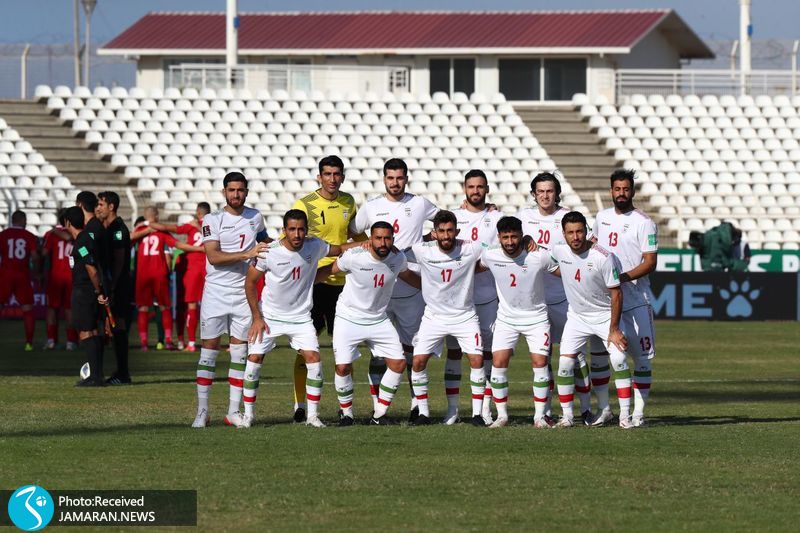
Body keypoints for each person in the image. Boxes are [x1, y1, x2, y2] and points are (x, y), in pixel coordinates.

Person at [239, 209, 363, 428]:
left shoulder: (314, 245)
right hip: (269, 316)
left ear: (307, 230)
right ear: (284, 231)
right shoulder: (269, 252)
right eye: (292, 229)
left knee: (314, 359)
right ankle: (248, 415)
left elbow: (340, 249)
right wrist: (256, 318)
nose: (297, 234)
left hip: (301, 318)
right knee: (254, 360)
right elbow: (250, 283)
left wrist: (367, 243)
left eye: (301, 229)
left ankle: (312, 416)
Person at [349, 158, 438, 418]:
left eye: (399, 178)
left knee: (413, 351)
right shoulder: (372, 206)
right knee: (378, 353)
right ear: (384, 179)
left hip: (411, 289)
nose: (395, 183)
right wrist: (368, 244)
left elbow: (446, 220)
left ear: (406, 179)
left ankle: (415, 405)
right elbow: (353, 230)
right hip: (380, 293)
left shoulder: (419, 203)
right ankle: (379, 407)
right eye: (390, 178)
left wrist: (427, 239)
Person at [516, 172, 598, 425]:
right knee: (543, 357)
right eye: (540, 191)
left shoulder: (568, 218)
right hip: (536, 300)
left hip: (565, 297)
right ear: (533, 194)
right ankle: (547, 410)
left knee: (576, 356)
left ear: (557, 193)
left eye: (549, 191)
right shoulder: (523, 217)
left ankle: (585, 408)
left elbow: (591, 242)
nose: (545, 195)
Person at [320, 221, 420, 425]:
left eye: (387, 238)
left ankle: (379, 414)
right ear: (370, 239)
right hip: (348, 317)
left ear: (392, 239)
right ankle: (346, 414)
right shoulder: (354, 257)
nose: (383, 242)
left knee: (398, 364)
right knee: (342, 367)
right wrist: (305, 282)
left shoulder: (398, 258)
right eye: (378, 238)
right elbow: (330, 270)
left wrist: (434, 288)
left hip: (378, 319)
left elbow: (409, 276)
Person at [192, 171, 268, 428]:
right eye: (232, 190)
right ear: (224, 192)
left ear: (246, 191)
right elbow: (213, 256)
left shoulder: (255, 216)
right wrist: (248, 253)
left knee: (239, 352)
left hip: (243, 293)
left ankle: (233, 411)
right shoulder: (211, 219)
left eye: (241, 190)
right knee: (209, 351)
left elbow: (264, 243)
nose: (236, 195)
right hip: (215, 292)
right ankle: (202, 411)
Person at [289, 155, 362, 422]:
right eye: (327, 174)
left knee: (344, 349)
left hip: (344, 286)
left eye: (337, 174)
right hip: (314, 284)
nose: (332, 179)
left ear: (343, 176)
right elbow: (290, 235)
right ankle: (300, 405)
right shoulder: (305, 203)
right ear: (319, 176)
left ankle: (346, 410)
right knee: (305, 346)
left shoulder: (348, 202)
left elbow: (358, 236)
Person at [549, 211, 634, 428]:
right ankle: (567, 416)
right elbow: (549, 264)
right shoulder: (558, 251)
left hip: (605, 316)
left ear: (586, 231)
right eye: (570, 232)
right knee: (566, 363)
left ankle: (625, 416)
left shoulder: (603, 256)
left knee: (618, 360)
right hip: (577, 317)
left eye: (579, 231)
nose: (575, 237)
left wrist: (614, 329)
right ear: (564, 234)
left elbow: (617, 293)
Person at [406, 210, 485, 426]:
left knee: (476, 360)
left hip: (465, 316)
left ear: (457, 231)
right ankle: (423, 413)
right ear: (434, 233)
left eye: (450, 231)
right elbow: (393, 253)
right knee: (418, 361)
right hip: (434, 317)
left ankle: (476, 414)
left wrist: (526, 240)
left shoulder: (472, 247)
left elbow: (500, 253)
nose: (446, 235)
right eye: (441, 231)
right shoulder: (421, 250)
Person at [591, 169, 658, 427]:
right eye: (617, 189)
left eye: (626, 189)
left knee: (641, 357)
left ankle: (638, 412)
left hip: (636, 299)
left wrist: (624, 276)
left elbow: (650, 262)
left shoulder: (644, 222)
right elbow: (594, 246)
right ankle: (609, 409)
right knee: (608, 356)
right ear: (611, 191)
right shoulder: (602, 216)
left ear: (632, 191)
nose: (621, 194)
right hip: (607, 302)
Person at [479, 216, 558, 428]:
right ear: (499, 238)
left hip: (537, 318)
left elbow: (564, 272)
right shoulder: (490, 255)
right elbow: (471, 266)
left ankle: (539, 416)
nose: (510, 241)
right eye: (505, 237)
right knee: (498, 363)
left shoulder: (538, 255)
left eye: (514, 236)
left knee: (540, 363)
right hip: (506, 319)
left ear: (522, 236)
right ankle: (502, 416)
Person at [447, 169, 503, 424]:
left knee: (487, 352)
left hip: (488, 295)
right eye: (471, 186)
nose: (475, 191)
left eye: (480, 187)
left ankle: (484, 408)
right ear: (464, 188)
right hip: (457, 299)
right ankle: (452, 409)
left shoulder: (498, 217)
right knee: (455, 352)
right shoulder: (453, 217)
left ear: (487, 189)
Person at [131, 206, 202, 351]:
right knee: (164, 307)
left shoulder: (139, 231)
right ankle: (168, 340)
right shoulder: (161, 232)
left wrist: (144, 229)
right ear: (156, 216)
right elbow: (178, 245)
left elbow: (129, 238)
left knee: (143, 308)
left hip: (142, 275)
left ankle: (144, 343)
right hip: (159, 273)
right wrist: (199, 249)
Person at [148, 202, 210, 352]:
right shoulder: (213, 225)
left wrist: (151, 223)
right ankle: (210, 342)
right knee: (210, 307)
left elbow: (171, 228)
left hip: (191, 268)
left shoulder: (191, 226)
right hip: (209, 267)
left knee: (190, 305)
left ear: (197, 212)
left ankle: (189, 343)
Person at [64, 206, 107, 387]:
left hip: (84, 291)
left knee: (85, 331)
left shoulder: (82, 243)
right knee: (92, 331)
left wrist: (98, 290)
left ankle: (95, 377)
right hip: (87, 291)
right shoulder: (84, 239)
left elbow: (90, 267)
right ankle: (97, 374)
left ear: (67, 222)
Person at [96, 191, 133, 385]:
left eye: (101, 204)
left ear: (111, 207)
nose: (98, 208)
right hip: (112, 285)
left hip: (119, 287)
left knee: (119, 327)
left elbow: (119, 262)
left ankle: (123, 373)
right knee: (112, 328)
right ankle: (117, 371)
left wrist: (113, 288)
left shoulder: (119, 229)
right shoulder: (107, 227)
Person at [0, 210, 39, 351]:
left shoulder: (3, 235)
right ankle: (29, 343)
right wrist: (37, 271)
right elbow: (34, 257)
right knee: (27, 309)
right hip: (22, 275)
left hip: (5, 275)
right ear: (22, 220)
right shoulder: (29, 236)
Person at [42, 209, 78, 350]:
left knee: (52, 309)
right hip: (72, 276)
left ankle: (51, 340)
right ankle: (71, 342)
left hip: (55, 276)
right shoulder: (76, 232)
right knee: (69, 310)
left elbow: (44, 253)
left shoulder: (51, 234)